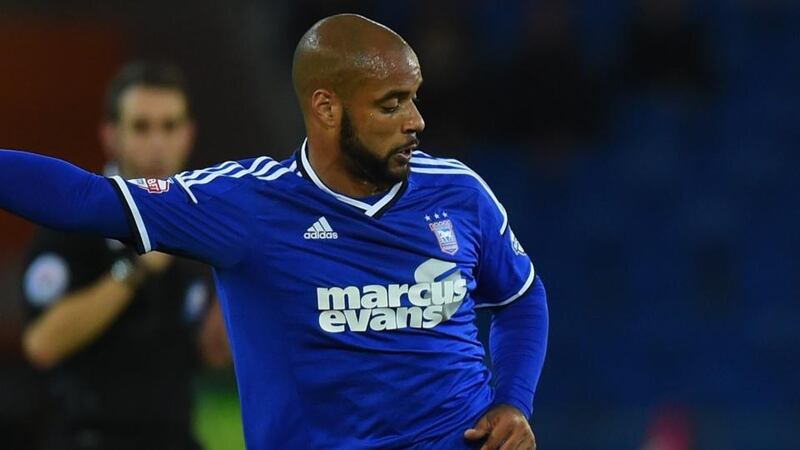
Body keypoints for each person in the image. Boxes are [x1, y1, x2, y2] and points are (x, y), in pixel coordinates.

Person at [0, 14, 548, 450]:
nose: (416, 120)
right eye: (392, 103)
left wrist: (513, 400)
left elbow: (521, 298)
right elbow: (85, 199)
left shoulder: (459, 192)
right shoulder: (248, 206)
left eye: (414, 96)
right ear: (327, 108)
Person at [18, 62, 230, 450]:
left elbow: (209, 353)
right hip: (90, 436)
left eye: (169, 126)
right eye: (141, 127)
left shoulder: (202, 222)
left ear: (189, 135)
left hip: (176, 438)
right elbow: (42, 344)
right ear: (110, 136)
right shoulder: (73, 219)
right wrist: (133, 269)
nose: (157, 144)